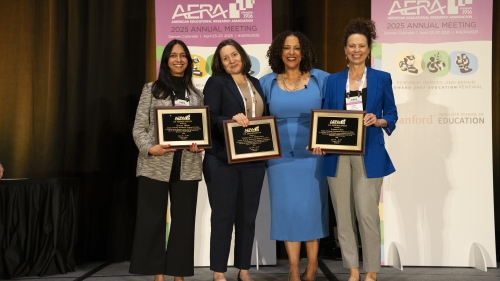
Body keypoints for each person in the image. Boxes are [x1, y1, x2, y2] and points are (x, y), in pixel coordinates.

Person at [313, 18, 398, 281]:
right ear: (345, 50)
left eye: (361, 45)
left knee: (367, 214)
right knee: (344, 216)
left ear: (368, 49)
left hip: (369, 153)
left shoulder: (382, 78)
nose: (357, 50)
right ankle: (352, 270)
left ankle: (370, 272)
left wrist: (379, 119)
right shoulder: (334, 80)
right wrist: (320, 140)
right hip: (338, 155)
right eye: (352, 46)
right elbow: (326, 116)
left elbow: (392, 114)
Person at [130, 39, 204, 281]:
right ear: (166, 60)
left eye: (183, 55)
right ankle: (158, 274)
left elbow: (200, 132)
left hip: (187, 166)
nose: (179, 59)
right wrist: (151, 148)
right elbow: (139, 128)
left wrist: (198, 145)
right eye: (173, 55)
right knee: (152, 222)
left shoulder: (196, 94)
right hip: (154, 165)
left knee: (183, 223)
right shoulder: (151, 89)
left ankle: (178, 275)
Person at [259, 31, 330, 281]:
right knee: (287, 210)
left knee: (311, 210)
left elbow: (335, 115)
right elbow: (255, 118)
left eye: (297, 48)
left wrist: (329, 142)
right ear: (280, 52)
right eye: (287, 48)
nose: (291, 53)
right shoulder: (267, 82)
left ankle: (311, 266)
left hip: (313, 156)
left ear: (304, 52)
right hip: (279, 159)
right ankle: (292, 267)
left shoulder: (321, 79)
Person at [203, 39, 266, 281]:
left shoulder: (256, 83)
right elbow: (210, 116)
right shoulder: (216, 82)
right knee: (223, 216)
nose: (231, 60)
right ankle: (219, 272)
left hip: (254, 159)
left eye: (234, 54)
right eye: (225, 57)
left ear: (242, 55)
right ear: (220, 63)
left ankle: (244, 269)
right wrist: (231, 119)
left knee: (247, 217)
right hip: (222, 159)